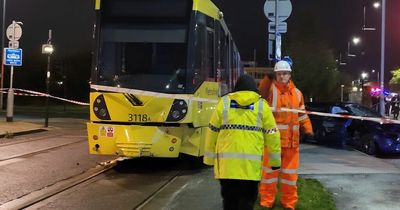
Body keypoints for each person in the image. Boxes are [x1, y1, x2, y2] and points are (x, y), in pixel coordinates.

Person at [203, 74, 282, 210]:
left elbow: (212, 131)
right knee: (247, 202)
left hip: (227, 168)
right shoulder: (262, 106)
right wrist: (275, 162)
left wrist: (209, 159)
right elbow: (272, 135)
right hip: (250, 168)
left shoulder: (224, 103)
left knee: (229, 202)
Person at [258, 60, 313, 210]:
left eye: (285, 73)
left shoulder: (297, 93)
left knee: (290, 177)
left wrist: (308, 129)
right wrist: (267, 78)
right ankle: (266, 202)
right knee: (269, 175)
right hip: (273, 143)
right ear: (275, 75)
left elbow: (302, 114)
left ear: (290, 74)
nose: (282, 76)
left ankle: (289, 204)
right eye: (279, 73)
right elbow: (261, 91)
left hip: (291, 143)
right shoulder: (270, 90)